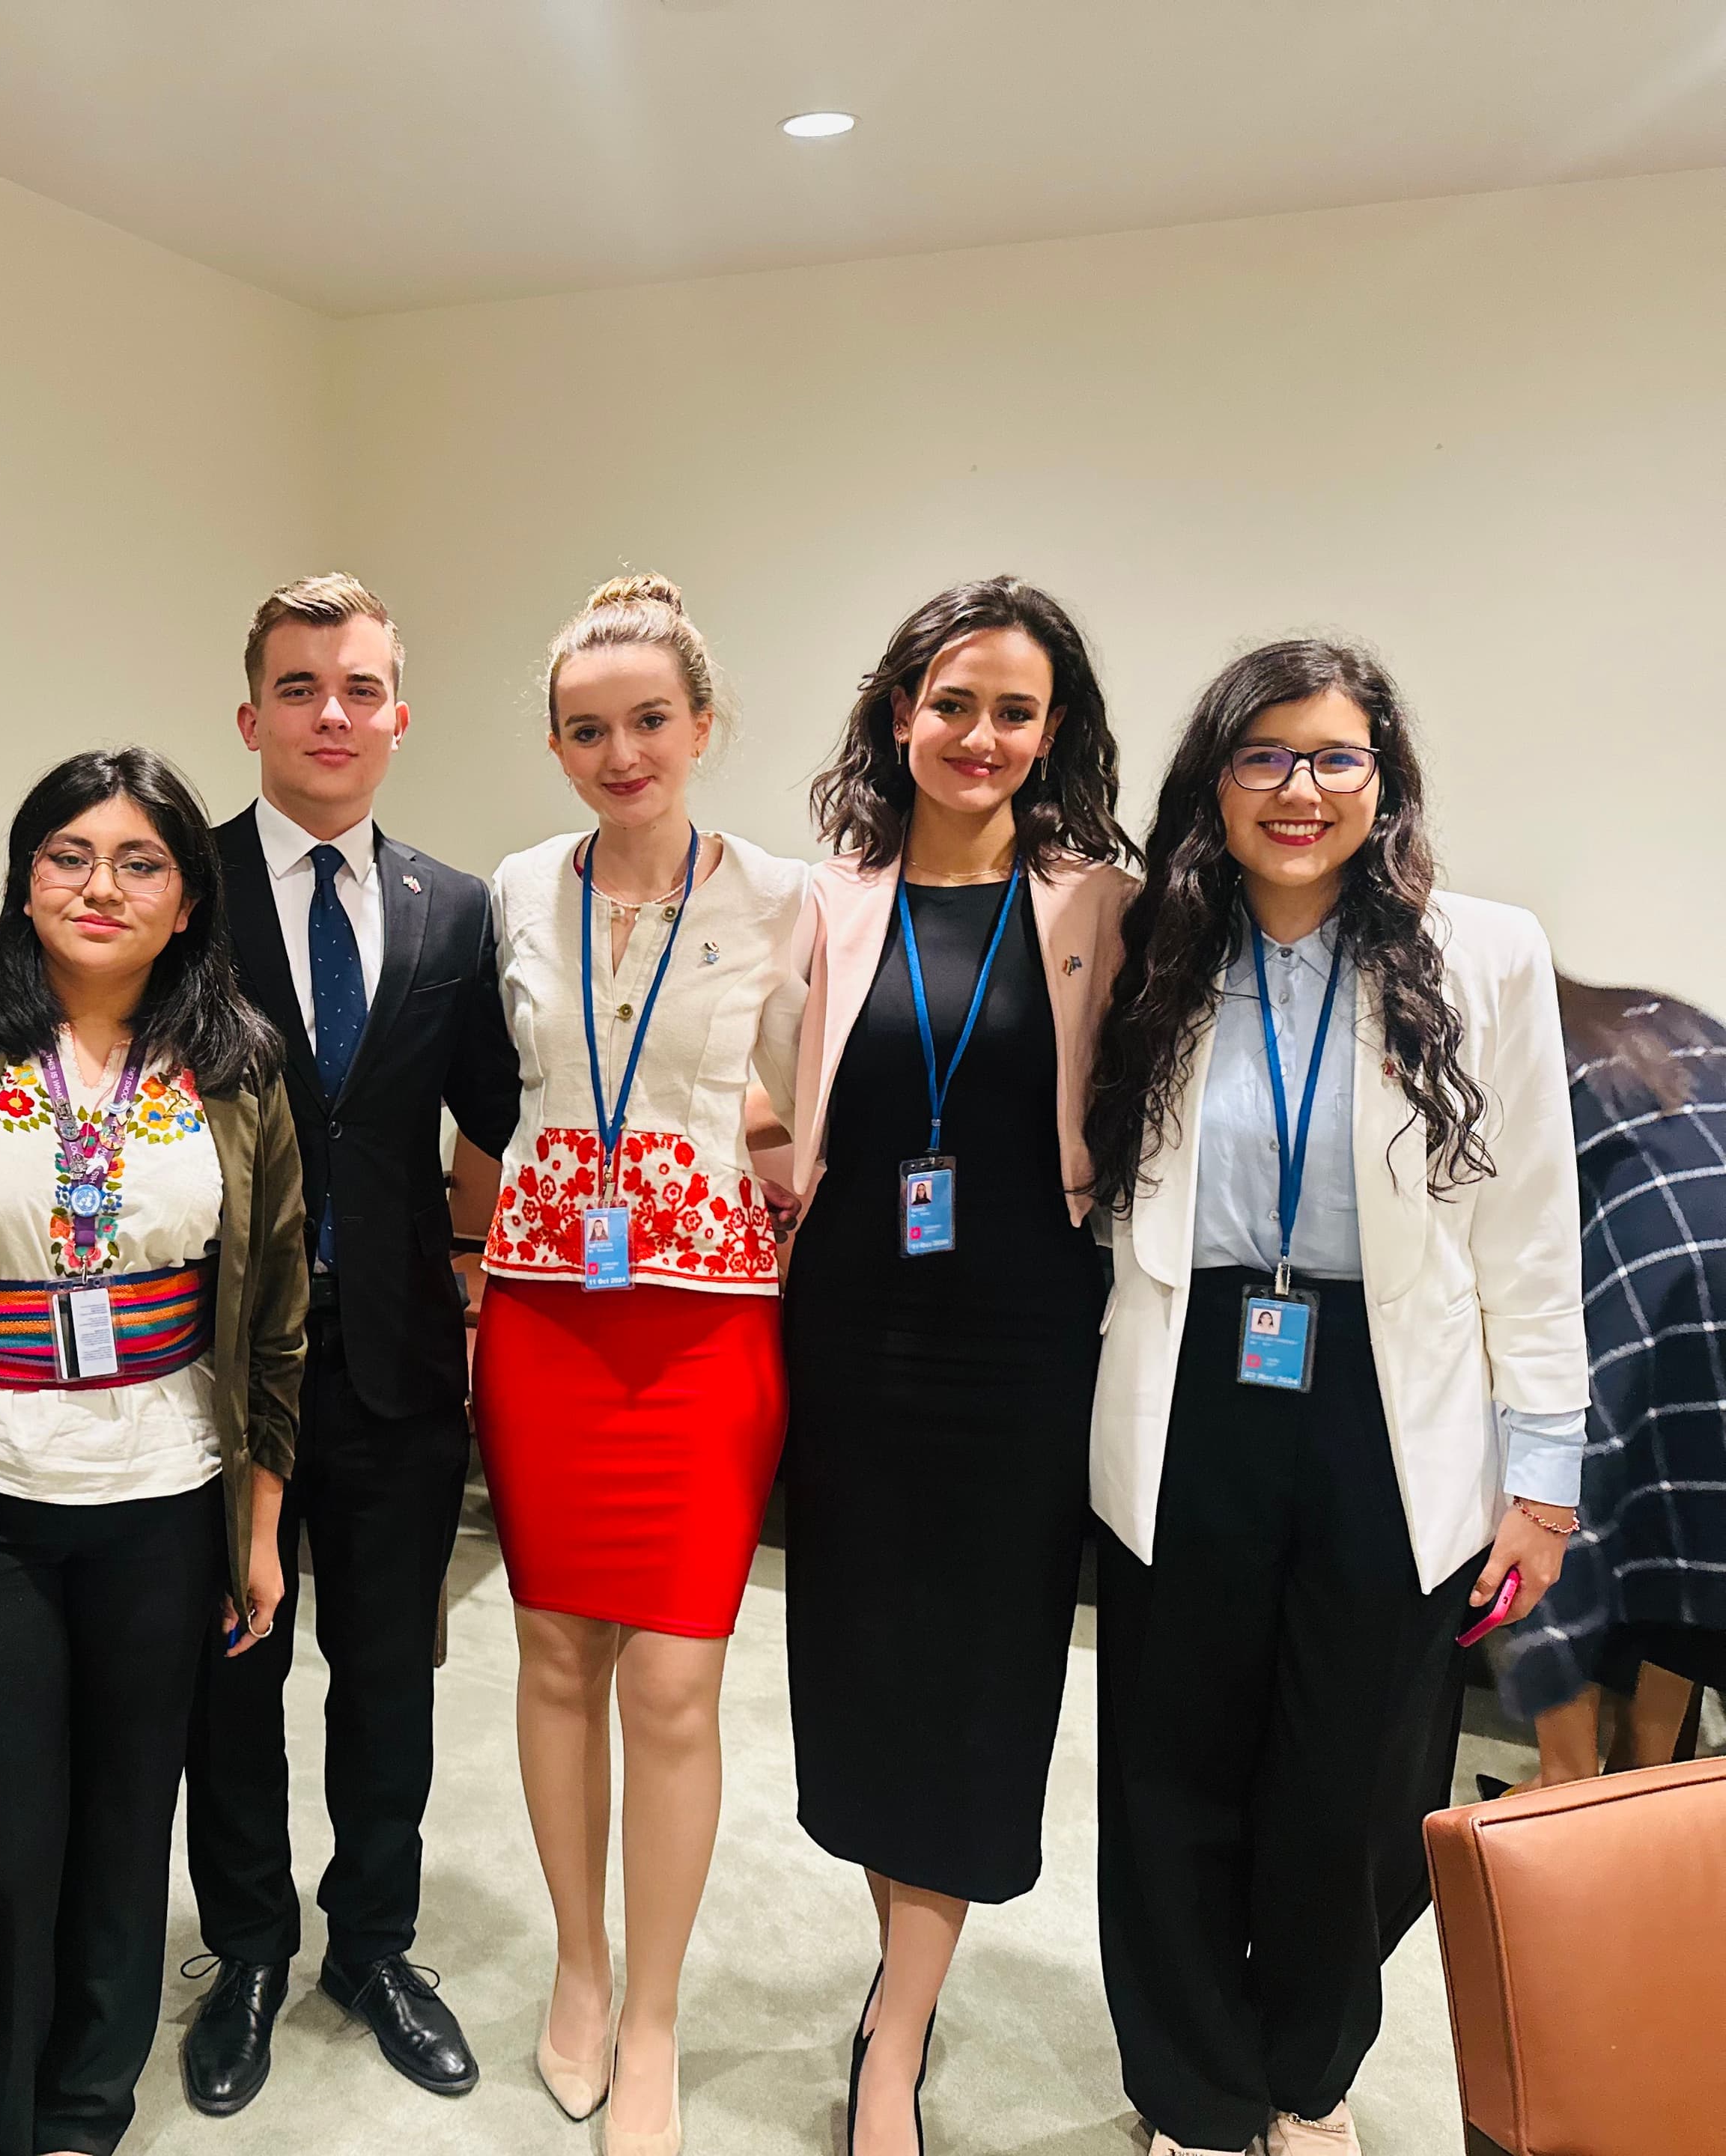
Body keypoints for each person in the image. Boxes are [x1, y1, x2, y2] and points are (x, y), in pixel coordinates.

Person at [1082, 639, 1587, 2156]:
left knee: (1355, 1777)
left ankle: (1308, 2070)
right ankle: (1192, 2087)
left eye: (1335, 758)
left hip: (1392, 1398)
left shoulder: (1483, 955)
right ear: (1214, 784)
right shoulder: (1151, 945)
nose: (1299, 791)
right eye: (1264, 758)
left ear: (1385, 778)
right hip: (1191, 1384)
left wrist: (1545, 1476)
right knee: (1173, 1763)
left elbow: (1531, 1222)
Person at [0, 747, 304, 2156]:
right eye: (68, 854)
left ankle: (85, 2106)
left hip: (167, 1497)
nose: (100, 886)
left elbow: (282, 1309)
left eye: (141, 862)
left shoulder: (234, 1061)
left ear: (188, 899)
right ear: (24, 875)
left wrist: (257, 1526)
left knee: (130, 1825)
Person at [774, 578, 1137, 2156]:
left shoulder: (1104, 906)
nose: (978, 736)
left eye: (1014, 710)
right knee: (861, 1675)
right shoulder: (824, 897)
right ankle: (896, 1981)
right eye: (952, 703)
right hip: (852, 1333)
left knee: (982, 1688)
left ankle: (896, 2031)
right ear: (898, 711)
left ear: (1052, 735)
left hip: (1026, 1341)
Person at [469, 573, 808, 2156]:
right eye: (589, 730)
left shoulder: (788, 900)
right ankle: (582, 1970)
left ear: (703, 726)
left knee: (675, 1676)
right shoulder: (513, 891)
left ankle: (656, 2012)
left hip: (709, 1320)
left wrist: (775, 1179)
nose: (623, 753)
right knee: (554, 1657)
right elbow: (502, 1100)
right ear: (556, 744)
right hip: (544, 1311)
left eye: (649, 723)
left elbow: (808, 1097)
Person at [180, 575, 520, 2113]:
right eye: (302, 686)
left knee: (390, 1679)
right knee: (230, 1680)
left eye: (362, 687)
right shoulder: (176, 888)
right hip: (205, 1369)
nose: (334, 713)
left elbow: (514, 1110)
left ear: (398, 715)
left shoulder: (458, 908)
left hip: (395, 1368)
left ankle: (371, 1943)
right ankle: (248, 1946)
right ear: (252, 716)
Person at [1492, 979, 1726, 1783]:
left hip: (1645, 1286)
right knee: (1687, 1531)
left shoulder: (1498, 1040)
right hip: (1700, 1296)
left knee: (1543, 1491)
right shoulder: (1660, 1016)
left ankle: (1568, 1784)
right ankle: (1644, 1781)